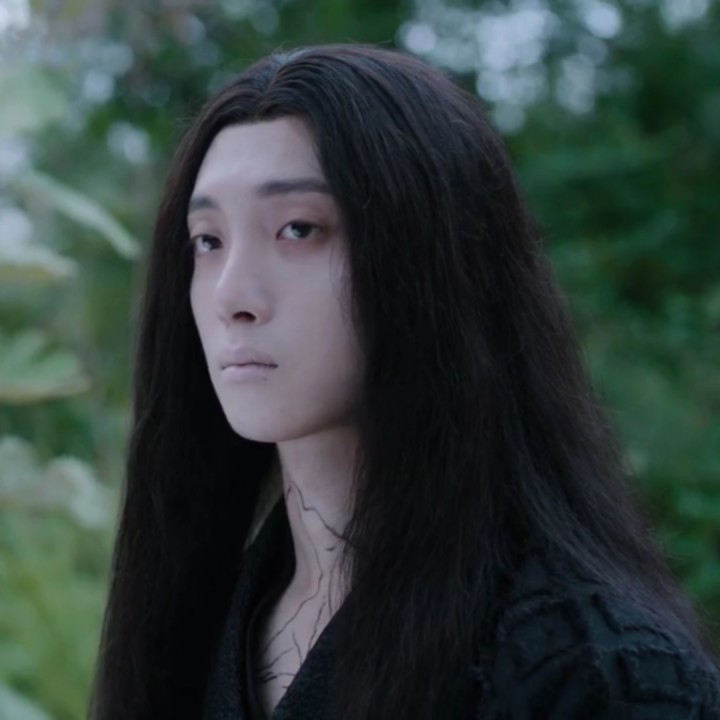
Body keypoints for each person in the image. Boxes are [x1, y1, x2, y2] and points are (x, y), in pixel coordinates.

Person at [87, 43, 720, 720]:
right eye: (208, 241)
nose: (232, 296)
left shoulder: (602, 673)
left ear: (433, 258)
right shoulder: (193, 624)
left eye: (299, 229)